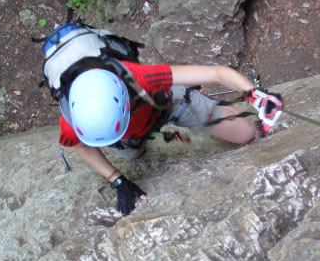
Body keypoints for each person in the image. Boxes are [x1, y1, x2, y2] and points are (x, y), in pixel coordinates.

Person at [57, 60, 282, 214]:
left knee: (246, 133)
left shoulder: (139, 78)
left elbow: (217, 73)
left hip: (170, 104)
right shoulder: (74, 121)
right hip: (132, 136)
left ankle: (213, 110)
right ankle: (135, 140)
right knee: (132, 155)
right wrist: (117, 180)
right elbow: (80, 146)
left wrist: (256, 96)